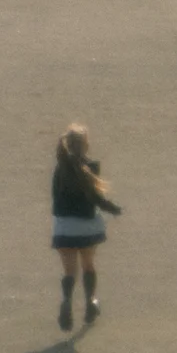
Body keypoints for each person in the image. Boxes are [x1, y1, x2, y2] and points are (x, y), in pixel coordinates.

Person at [51, 124, 122, 331]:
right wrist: (114, 208)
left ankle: (66, 301)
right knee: (88, 265)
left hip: (64, 227)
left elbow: (55, 198)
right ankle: (91, 301)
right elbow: (95, 198)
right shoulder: (90, 167)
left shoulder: (59, 169)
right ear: (86, 145)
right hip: (87, 227)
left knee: (69, 271)